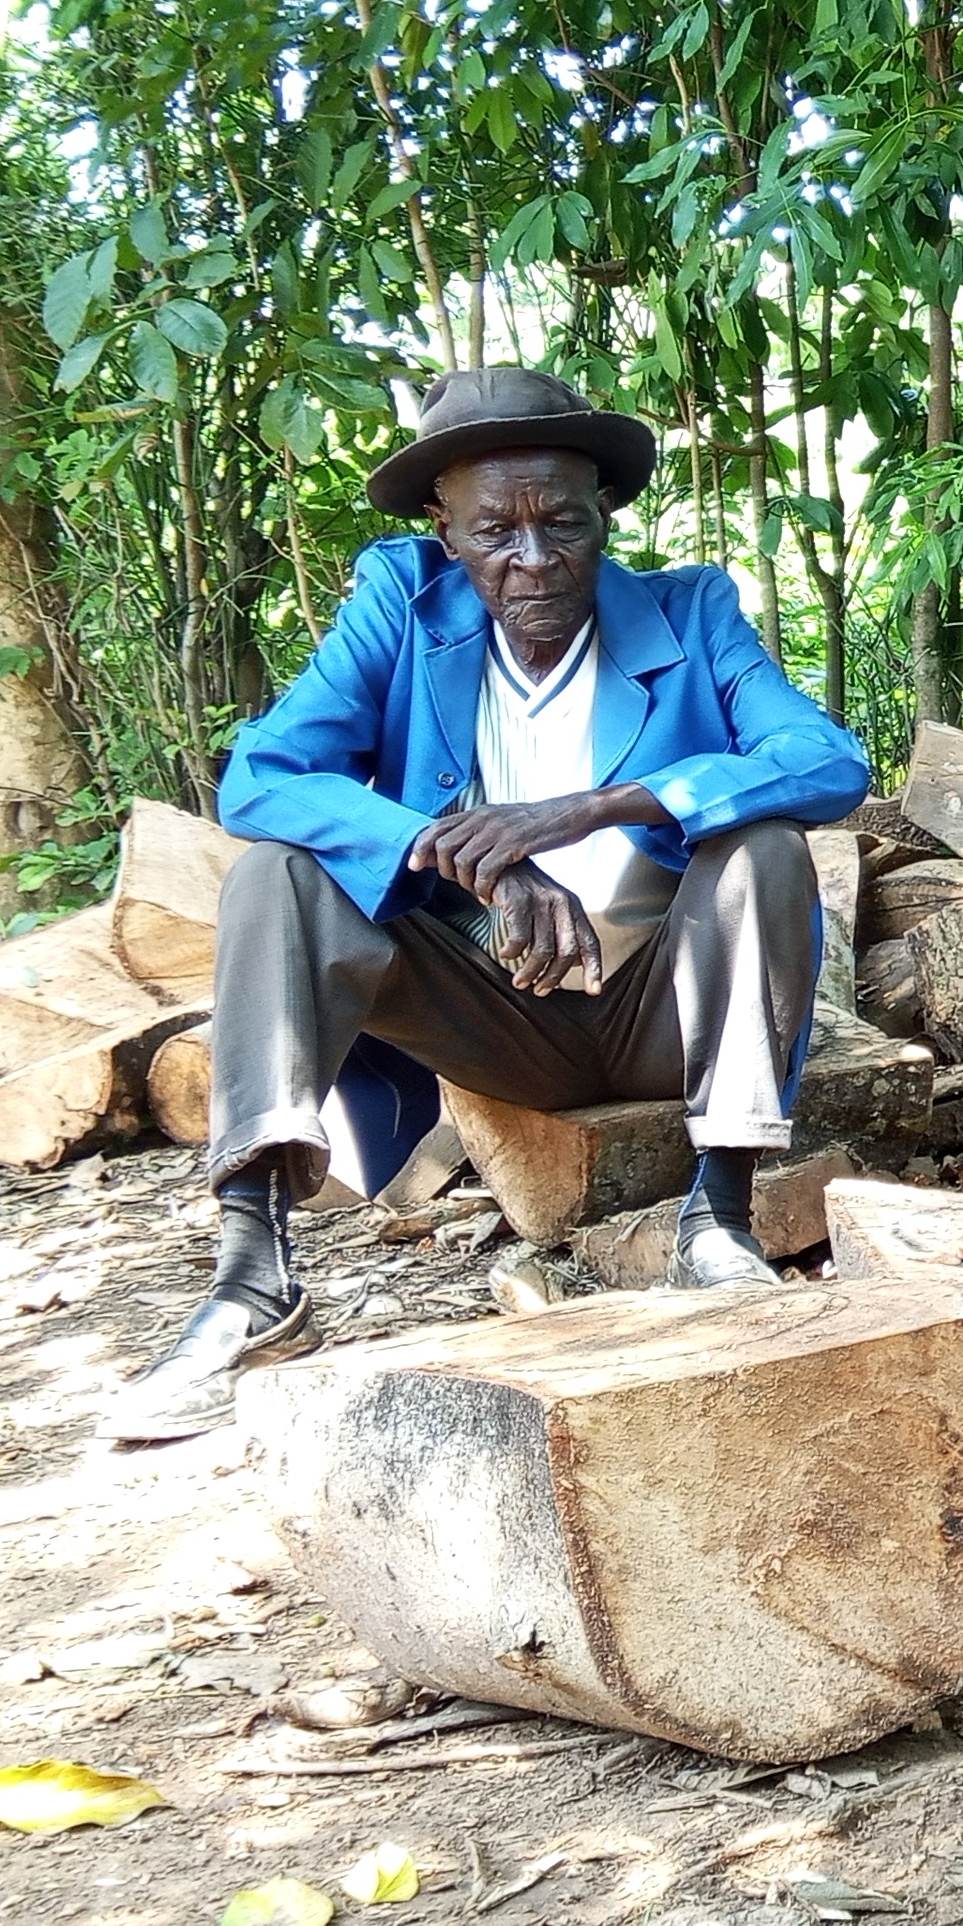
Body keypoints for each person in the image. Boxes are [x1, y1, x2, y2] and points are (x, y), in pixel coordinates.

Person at [99, 367, 870, 1447]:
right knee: (275, 870)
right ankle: (251, 1277)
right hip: (492, 1012)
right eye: (494, 531)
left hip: (664, 1007)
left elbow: (828, 759)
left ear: (604, 514)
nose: (535, 558)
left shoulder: (692, 611)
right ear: (445, 530)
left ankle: (720, 1219)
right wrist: (462, 854)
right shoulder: (402, 608)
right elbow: (262, 777)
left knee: (765, 845)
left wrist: (581, 810)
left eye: (562, 522)